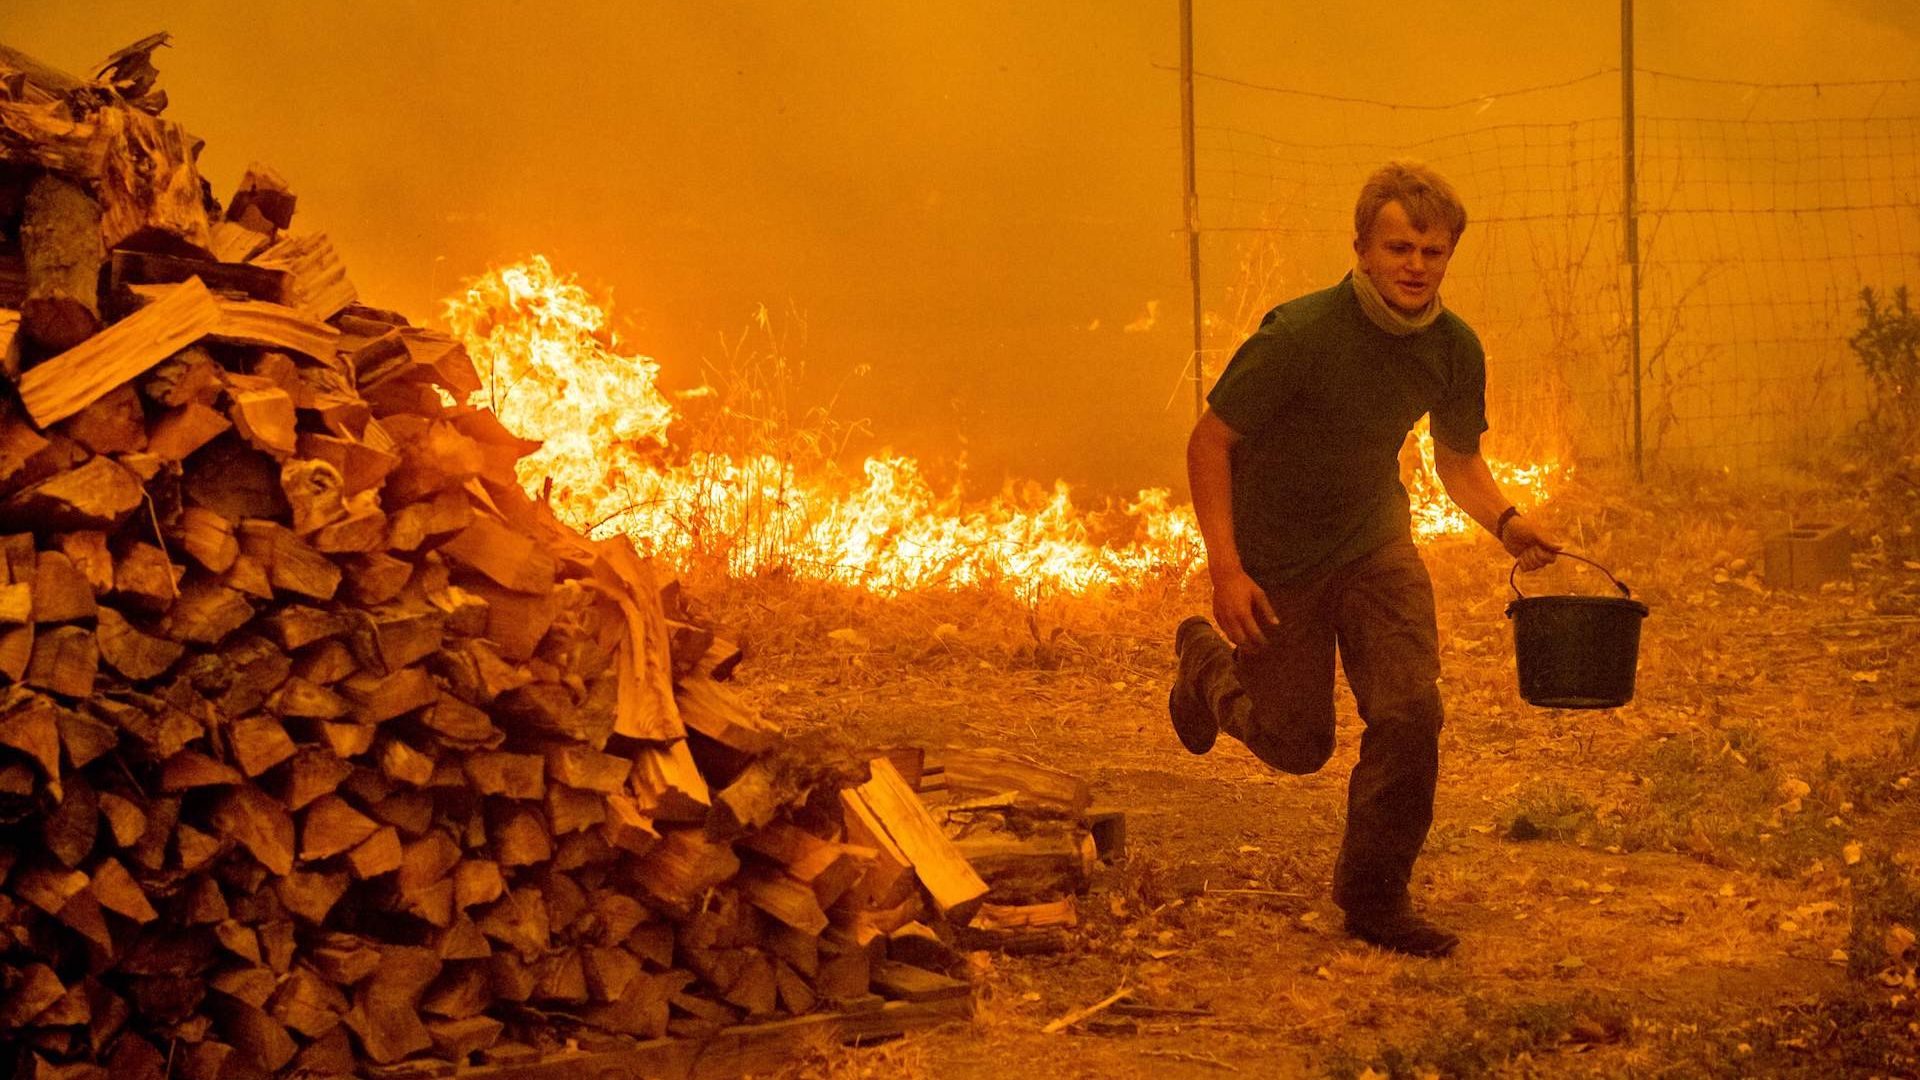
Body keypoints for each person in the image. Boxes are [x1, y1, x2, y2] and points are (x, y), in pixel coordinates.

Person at [1169, 160, 1561, 958]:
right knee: (1296, 744)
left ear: (1449, 255)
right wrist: (1226, 570)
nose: (1416, 265)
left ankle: (1374, 895)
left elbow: (1458, 461)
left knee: (1411, 711)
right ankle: (1208, 671)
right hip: (1277, 555)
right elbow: (1209, 442)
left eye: (1433, 251)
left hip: (1375, 540)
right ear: (1363, 249)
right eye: (1400, 248)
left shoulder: (1453, 349)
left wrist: (1507, 521)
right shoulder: (1300, 335)